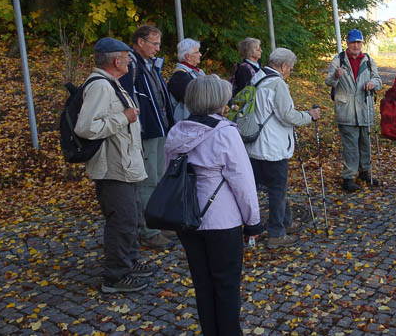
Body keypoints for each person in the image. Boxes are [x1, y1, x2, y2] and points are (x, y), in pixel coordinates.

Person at [164, 75, 262, 335]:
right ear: (219, 100)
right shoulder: (225, 133)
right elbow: (243, 182)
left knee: (203, 284)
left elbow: (168, 174)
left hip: (185, 216)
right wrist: (253, 222)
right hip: (221, 220)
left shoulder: (177, 131)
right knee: (226, 285)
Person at [75, 37, 150, 293]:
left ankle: (129, 262)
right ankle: (115, 277)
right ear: (117, 60)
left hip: (124, 165)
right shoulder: (100, 87)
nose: (130, 62)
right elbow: (86, 128)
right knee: (122, 220)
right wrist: (123, 117)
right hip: (113, 168)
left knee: (131, 216)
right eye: (127, 58)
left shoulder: (111, 84)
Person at [245, 48, 321, 248]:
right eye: (291, 68)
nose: (290, 72)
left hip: (255, 144)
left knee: (273, 188)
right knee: (277, 189)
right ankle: (277, 232)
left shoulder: (257, 78)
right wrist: (309, 115)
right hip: (272, 146)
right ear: (283, 66)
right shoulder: (277, 84)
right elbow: (287, 115)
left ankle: (284, 222)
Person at [119, 25, 175, 249]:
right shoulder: (131, 65)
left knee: (159, 178)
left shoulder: (148, 64)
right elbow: (127, 98)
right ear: (140, 42)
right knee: (148, 181)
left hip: (160, 129)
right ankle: (148, 230)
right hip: (147, 132)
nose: (158, 48)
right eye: (154, 43)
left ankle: (157, 222)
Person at [325, 29, 382, 192]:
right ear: (347, 43)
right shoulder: (339, 60)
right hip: (346, 109)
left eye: (359, 42)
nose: (356, 45)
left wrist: (372, 83)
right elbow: (328, 81)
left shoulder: (369, 60)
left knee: (365, 141)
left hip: (365, 107)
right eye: (353, 42)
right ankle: (348, 177)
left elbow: (378, 79)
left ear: (362, 43)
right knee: (350, 145)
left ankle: (365, 171)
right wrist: (336, 75)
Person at [168, 38, 206, 122]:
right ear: (187, 56)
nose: (200, 54)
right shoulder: (180, 77)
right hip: (188, 126)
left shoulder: (197, 72)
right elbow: (198, 100)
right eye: (197, 52)